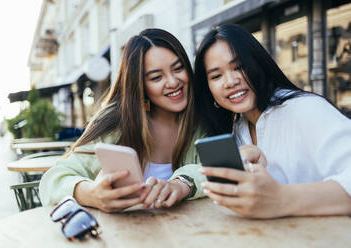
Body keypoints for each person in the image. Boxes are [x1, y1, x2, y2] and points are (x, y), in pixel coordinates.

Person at [176, 24, 351, 219]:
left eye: (239, 67)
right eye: (216, 76)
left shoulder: (306, 109)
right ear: (208, 89)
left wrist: (282, 199)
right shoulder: (239, 128)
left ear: (259, 63)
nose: (230, 81)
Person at [39, 28, 205, 213]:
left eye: (178, 68)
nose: (173, 82)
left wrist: (182, 183)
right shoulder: (116, 120)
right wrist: (90, 194)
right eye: (156, 77)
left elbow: (219, 169)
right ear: (140, 85)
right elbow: (52, 180)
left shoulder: (201, 118)